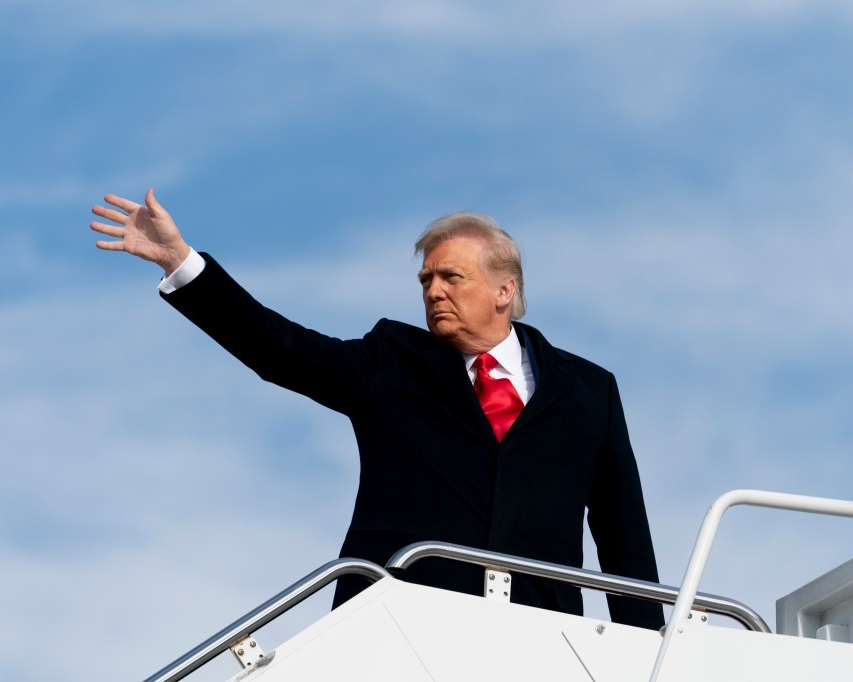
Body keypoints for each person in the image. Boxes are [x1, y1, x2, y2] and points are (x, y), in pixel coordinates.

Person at [90, 189, 664, 629]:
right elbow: (280, 349)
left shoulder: (590, 390)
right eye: (425, 279)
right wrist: (182, 263)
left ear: (503, 291)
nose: (433, 291)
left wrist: (652, 651)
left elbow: (623, 536)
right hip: (401, 624)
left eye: (451, 276)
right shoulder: (392, 361)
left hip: (540, 633)